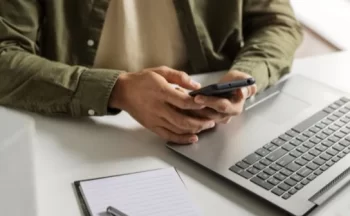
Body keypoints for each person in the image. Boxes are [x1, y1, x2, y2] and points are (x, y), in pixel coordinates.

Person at [0, 0, 302, 144]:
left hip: (215, 132)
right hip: (83, 131)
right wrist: (118, 89)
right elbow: (5, 56)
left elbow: (278, 24)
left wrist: (245, 78)